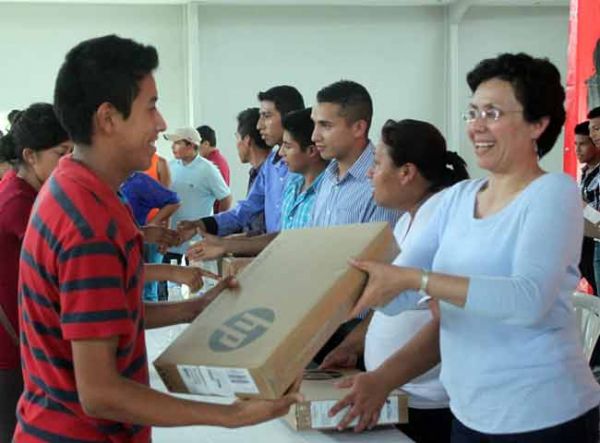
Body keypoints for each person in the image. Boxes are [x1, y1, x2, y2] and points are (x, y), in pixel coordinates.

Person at [14, 35, 300, 442]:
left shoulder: (74, 187)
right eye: (151, 107)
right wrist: (228, 415)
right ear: (109, 118)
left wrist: (193, 309)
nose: (162, 124)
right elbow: (100, 393)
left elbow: (104, 319)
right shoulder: (88, 222)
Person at [340, 53, 600, 441]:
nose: (476, 126)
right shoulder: (455, 199)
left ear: (538, 124)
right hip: (471, 413)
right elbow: (391, 298)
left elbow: (528, 300)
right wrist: (340, 280)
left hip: (542, 415)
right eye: (472, 112)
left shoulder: (553, 194)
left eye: (492, 113)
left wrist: (418, 279)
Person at [320, 119, 468, 442]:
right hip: (394, 393)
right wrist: (353, 343)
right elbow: (393, 298)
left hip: (428, 403)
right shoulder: (406, 223)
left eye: (376, 163)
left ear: (406, 172)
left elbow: (449, 323)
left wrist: (383, 378)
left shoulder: (441, 219)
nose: (370, 174)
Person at [0, 103, 72, 443]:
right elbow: (72, 263)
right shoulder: (19, 203)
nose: (69, 162)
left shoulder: (22, 192)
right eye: (62, 153)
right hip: (11, 350)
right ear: (30, 155)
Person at [186, 107, 328, 260]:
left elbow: (304, 248)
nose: (260, 125)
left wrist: (228, 244)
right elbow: (281, 238)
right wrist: (223, 242)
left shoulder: (327, 191)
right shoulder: (292, 185)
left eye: (266, 116)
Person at [181, 86, 304, 238]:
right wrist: (202, 224)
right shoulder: (270, 165)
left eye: (266, 116)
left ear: (289, 116)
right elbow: (246, 210)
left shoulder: (308, 165)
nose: (259, 125)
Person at [164, 126, 232, 265]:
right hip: (170, 243)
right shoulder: (170, 167)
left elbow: (226, 198)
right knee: (168, 285)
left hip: (195, 246)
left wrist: (215, 226)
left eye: (177, 143)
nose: (173, 147)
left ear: (191, 145)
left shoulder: (208, 169)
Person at [120, 171, 181, 301]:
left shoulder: (138, 181)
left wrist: (153, 224)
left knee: (146, 289)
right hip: (114, 246)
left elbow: (172, 201)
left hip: (140, 242)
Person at [575, 121, 600, 294]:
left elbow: (597, 218)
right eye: (575, 144)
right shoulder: (586, 173)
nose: (577, 149)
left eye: (582, 144)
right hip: (584, 242)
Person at [197, 124, 230, 214]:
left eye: (196, 145)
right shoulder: (219, 160)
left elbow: (224, 198)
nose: (195, 150)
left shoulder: (212, 164)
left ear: (206, 144)